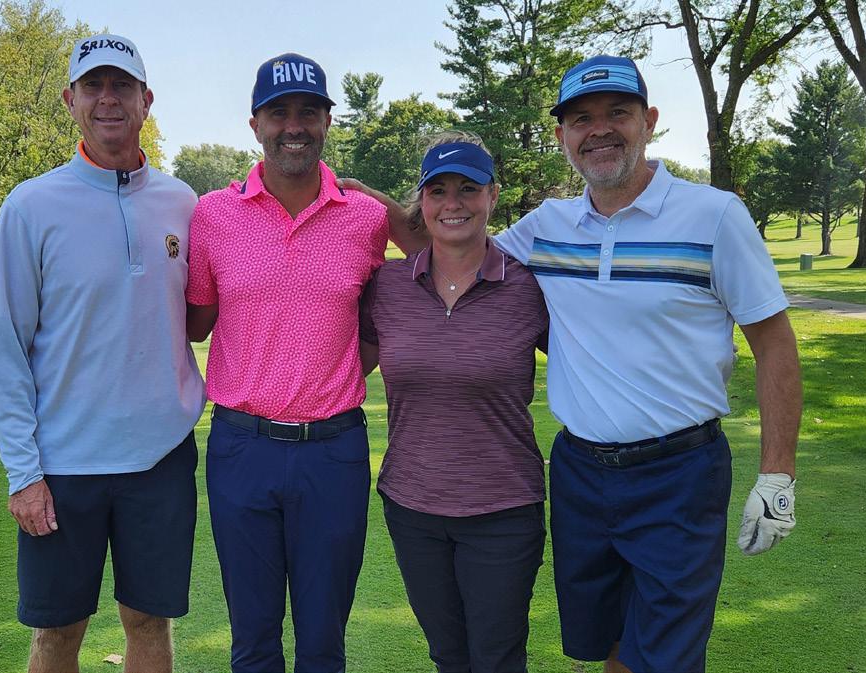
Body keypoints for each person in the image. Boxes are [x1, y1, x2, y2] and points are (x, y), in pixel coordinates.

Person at [492, 55, 803, 673]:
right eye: (582, 119)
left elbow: (774, 344)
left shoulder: (715, 215)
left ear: (649, 120)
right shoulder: (547, 226)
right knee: (608, 641)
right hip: (579, 472)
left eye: (618, 113)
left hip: (679, 475)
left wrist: (778, 475)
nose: (599, 130)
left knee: (665, 656)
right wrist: (361, 202)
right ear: (562, 136)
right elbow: (454, 247)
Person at [184, 52, 425, 673]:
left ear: (326, 123)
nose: (294, 126)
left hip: (334, 452)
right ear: (255, 124)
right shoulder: (213, 214)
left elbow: (433, 251)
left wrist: (379, 199)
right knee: (253, 640)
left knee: (323, 642)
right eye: (279, 113)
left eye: (309, 112)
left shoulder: (364, 217)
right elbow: (196, 321)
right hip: (242, 447)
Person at [0, 33, 204, 673]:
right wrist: (23, 473)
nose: (108, 98)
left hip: (160, 457)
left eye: (122, 86)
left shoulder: (183, 204)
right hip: (63, 465)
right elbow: (8, 349)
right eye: (93, 86)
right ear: (70, 100)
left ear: (146, 100)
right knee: (57, 634)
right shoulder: (30, 206)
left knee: (150, 623)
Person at [358, 132, 549, 673]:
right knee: (448, 656)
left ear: (492, 196)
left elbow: (589, 365)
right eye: (438, 190)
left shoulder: (528, 287)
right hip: (412, 506)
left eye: (468, 188)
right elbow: (345, 368)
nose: (453, 203)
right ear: (421, 202)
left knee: (497, 658)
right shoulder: (388, 286)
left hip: (503, 509)